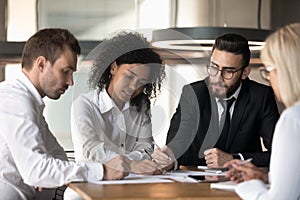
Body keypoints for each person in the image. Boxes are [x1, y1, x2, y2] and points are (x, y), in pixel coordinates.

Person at [0, 28, 130, 200]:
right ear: (41, 64)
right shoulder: (16, 101)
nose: (70, 81)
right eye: (65, 71)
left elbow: (57, 156)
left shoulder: (30, 101)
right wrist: (103, 171)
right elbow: (37, 171)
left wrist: (48, 174)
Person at [152, 33, 280, 170]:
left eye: (228, 71)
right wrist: (169, 157)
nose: (218, 78)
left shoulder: (261, 96)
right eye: (214, 67)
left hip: (242, 182)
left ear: (245, 72)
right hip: (197, 184)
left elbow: (279, 153)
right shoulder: (192, 93)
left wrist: (234, 158)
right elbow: (178, 143)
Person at [70, 31, 166, 174]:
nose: (133, 87)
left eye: (141, 82)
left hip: (132, 183)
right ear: (113, 68)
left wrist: (130, 164)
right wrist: (133, 164)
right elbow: (90, 153)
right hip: (91, 185)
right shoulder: (84, 105)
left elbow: (146, 148)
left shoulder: (141, 106)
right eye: (128, 77)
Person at [224, 23, 300, 199]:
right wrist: (268, 178)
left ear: (286, 71)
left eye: (268, 71)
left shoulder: (292, 119)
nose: (269, 79)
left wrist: (249, 186)